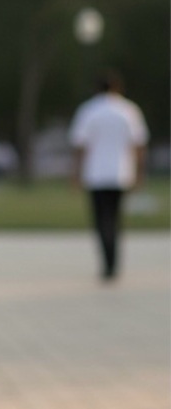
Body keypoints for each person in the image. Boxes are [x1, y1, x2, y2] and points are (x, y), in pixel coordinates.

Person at [68, 70, 149, 281]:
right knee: (115, 219)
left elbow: (80, 146)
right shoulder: (129, 110)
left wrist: (76, 174)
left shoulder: (88, 110)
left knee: (101, 219)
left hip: (96, 174)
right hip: (121, 173)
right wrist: (140, 172)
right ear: (117, 87)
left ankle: (107, 264)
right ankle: (114, 263)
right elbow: (139, 144)